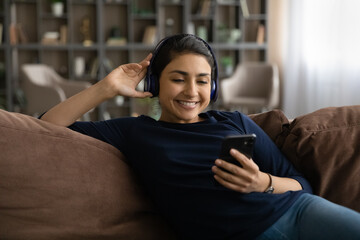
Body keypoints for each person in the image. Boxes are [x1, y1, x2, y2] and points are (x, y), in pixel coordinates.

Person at [41, 34, 360, 240]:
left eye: (203, 81)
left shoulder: (234, 121)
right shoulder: (135, 131)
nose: (192, 91)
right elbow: (49, 126)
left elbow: (301, 185)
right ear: (156, 83)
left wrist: (262, 183)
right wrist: (106, 88)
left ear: (214, 87)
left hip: (301, 211)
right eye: (178, 79)